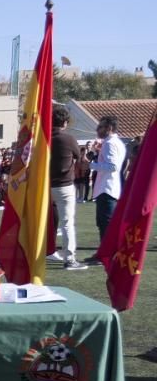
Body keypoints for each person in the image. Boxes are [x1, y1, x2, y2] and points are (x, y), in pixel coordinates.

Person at [47, 106, 88, 270]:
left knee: (46, 222)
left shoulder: (45, 138)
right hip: (64, 186)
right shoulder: (69, 139)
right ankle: (69, 259)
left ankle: (44, 251)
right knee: (67, 223)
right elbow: (79, 158)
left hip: (46, 187)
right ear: (65, 122)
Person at [88, 116, 126, 250]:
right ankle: (105, 252)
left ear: (109, 128)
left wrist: (92, 165)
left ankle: (106, 253)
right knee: (104, 223)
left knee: (105, 223)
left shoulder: (109, 143)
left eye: (100, 127)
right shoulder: (113, 142)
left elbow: (112, 166)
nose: (97, 129)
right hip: (108, 188)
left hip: (106, 189)